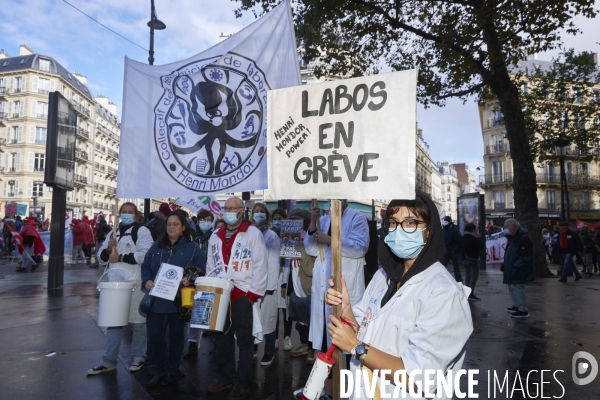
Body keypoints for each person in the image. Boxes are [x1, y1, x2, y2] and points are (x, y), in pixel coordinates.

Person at [323, 192, 473, 399]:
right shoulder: (383, 276)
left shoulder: (444, 293)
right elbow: (362, 332)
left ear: (429, 231)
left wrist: (355, 347)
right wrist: (347, 308)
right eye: (393, 222)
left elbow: (421, 379)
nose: (400, 230)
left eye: (411, 222)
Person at [206, 196, 267, 400]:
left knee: (244, 342)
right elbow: (210, 265)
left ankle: (242, 382)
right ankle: (225, 377)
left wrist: (253, 295)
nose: (229, 211)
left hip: (243, 295)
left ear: (242, 211)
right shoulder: (215, 236)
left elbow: (260, 265)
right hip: (220, 293)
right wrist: (210, 288)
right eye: (226, 208)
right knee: (221, 339)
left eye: (233, 208)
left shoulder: (253, 234)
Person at [87, 202, 154, 376]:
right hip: (114, 284)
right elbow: (101, 258)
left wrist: (121, 257)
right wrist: (109, 248)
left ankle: (139, 356)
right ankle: (108, 361)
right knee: (114, 324)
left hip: (135, 283)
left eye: (129, 212)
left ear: (136, 214)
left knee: (138, 322)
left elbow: (146, 255)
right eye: (123, 212)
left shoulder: (142, 231)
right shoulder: (113, 232)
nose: (126, 215)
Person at [141, 210, 206, 387]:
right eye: (169, 224)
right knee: (155, 336)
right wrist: (146, 280)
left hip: (179, 300)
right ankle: (160, 370)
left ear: (183, 227)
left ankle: (172, 371)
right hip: (158, 299)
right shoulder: (157, 246)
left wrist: (190, 277)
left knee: (177, 337)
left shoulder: (192, 248)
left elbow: (202, 267)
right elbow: (146, 266)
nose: (171, 227)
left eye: (175, 224)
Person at [305, 199, 369, 355]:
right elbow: (311, 249)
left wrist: (331, 240)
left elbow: (360, 248)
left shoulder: (357, 217)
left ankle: (344, 377)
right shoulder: (324, 220)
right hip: (323, 288)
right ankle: (329, 377)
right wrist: (313, 222)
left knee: (346, 342)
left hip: (345, 287)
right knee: (326, 336)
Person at [281, 208, 316, 362]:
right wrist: (285, 285)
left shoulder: (312, 242)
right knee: (301, 319)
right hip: (296, 286)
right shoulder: (290, 243)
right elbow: (287, 266)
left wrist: (304, 243)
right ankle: (304, 344)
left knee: (312, 318)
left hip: (309, 287)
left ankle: (313, 348)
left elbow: (310, 269)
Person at [249, 203, 281, 366]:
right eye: (256, 212)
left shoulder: (271, 236)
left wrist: (269, 288)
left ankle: (269, 351)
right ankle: (253, 348)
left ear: (267, 215)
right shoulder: (249, 234)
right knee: (253, 319)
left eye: (262, 212)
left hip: (267, 287)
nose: (259, 214)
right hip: (251, 285)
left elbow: (274, 263)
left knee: (268, 320)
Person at [182, 209, 215, 360]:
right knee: (194, 312)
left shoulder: (215, 237)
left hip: (210, 278)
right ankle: (192, 344)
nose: (205, 222)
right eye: (203, 219)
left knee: (211, 312)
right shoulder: (191, 238)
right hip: (193, 278)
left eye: (208, 219)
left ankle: (216, 342)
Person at [502, 218, 535, 318]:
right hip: (513, 267)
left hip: (518, 268)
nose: (504, 228)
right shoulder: (513, 237)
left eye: (506, 226)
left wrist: (514, 266)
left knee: (517, 288)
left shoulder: (523, 238)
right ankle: (517, 306)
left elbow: (526, 256)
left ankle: (522, 310)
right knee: (512, 287)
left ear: (514, 227)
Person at [462, 222, 484, 301]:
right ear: (473, 229)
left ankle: (466, 291)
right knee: (474, 276)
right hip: (473, 259)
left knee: (468, 275)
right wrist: (478, 238)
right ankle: (470, 293)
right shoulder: (473, 238)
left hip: (465, 259)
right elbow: (480, 246)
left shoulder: (463, 237)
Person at [440, 215, 463, 282]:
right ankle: (443, 280)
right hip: (447, 251)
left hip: (452, 252)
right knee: (443, 267)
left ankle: (459, 281)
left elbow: (459, 241)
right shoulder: (446, 229)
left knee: (455, 268)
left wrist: (455, 249)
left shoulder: (452, 230)